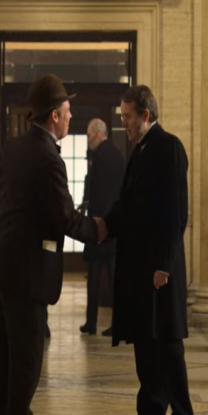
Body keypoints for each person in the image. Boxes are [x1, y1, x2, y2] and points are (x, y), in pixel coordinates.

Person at [0, 74, 103, 415]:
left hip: (0, 265)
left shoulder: (13, 148)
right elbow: (64, 218)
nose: (71, 117)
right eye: (68, 111)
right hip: (26, 272)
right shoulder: (50, 157)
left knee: (4, 355)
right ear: (54, 115)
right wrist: (97, 232)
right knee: (28, 356)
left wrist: (15, 226)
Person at [97, 85, 195, 415]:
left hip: (159, 272)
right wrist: (104, 225)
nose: (123, 124)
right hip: (140, 271)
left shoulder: (169, 147)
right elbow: (129, 205)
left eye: (127, 117)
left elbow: (176, 214)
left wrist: (163, 267)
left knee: (169, 353)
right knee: (146, 352)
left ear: (146, 115)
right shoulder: (140, 150)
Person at [80, 119, 126, 336]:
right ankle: (119, 322)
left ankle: (91, 322)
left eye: (89, 137)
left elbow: (95, 190)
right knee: (116, 277)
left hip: (101, 225)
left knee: (94, 276)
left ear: (98, 134)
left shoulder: (96, 157)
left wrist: (93, 221)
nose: (89, 141)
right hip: (116, 224)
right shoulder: (119, 155)